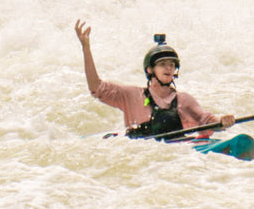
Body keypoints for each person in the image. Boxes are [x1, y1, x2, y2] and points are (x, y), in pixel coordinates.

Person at [74, 19, 235, 140]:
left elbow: (206, 120)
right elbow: (96, 87)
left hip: (175, 154)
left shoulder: (184, 100)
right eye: (163, 64)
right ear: (150, 70)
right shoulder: (131, 95)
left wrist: (222, 121)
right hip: (144, 154)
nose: (168, 68)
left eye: (172, 65)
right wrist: (86, 49)